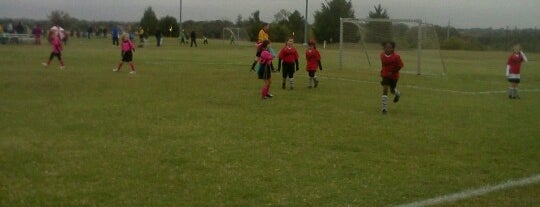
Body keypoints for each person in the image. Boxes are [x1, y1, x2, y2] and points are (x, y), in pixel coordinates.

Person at [379, 41, 404, 114]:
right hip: (385, 75)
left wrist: (392, 72)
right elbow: (383, 65)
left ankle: (397, 94)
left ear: (393, 48)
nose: (388, 49)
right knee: (385, 89)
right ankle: (384, 109)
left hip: (394, 76)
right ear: (383, 48)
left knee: (392, 90)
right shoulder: (382, 55)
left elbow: (400, 66)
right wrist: (382, 72)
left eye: (390, 48)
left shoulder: (396, 57)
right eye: (386, 47)